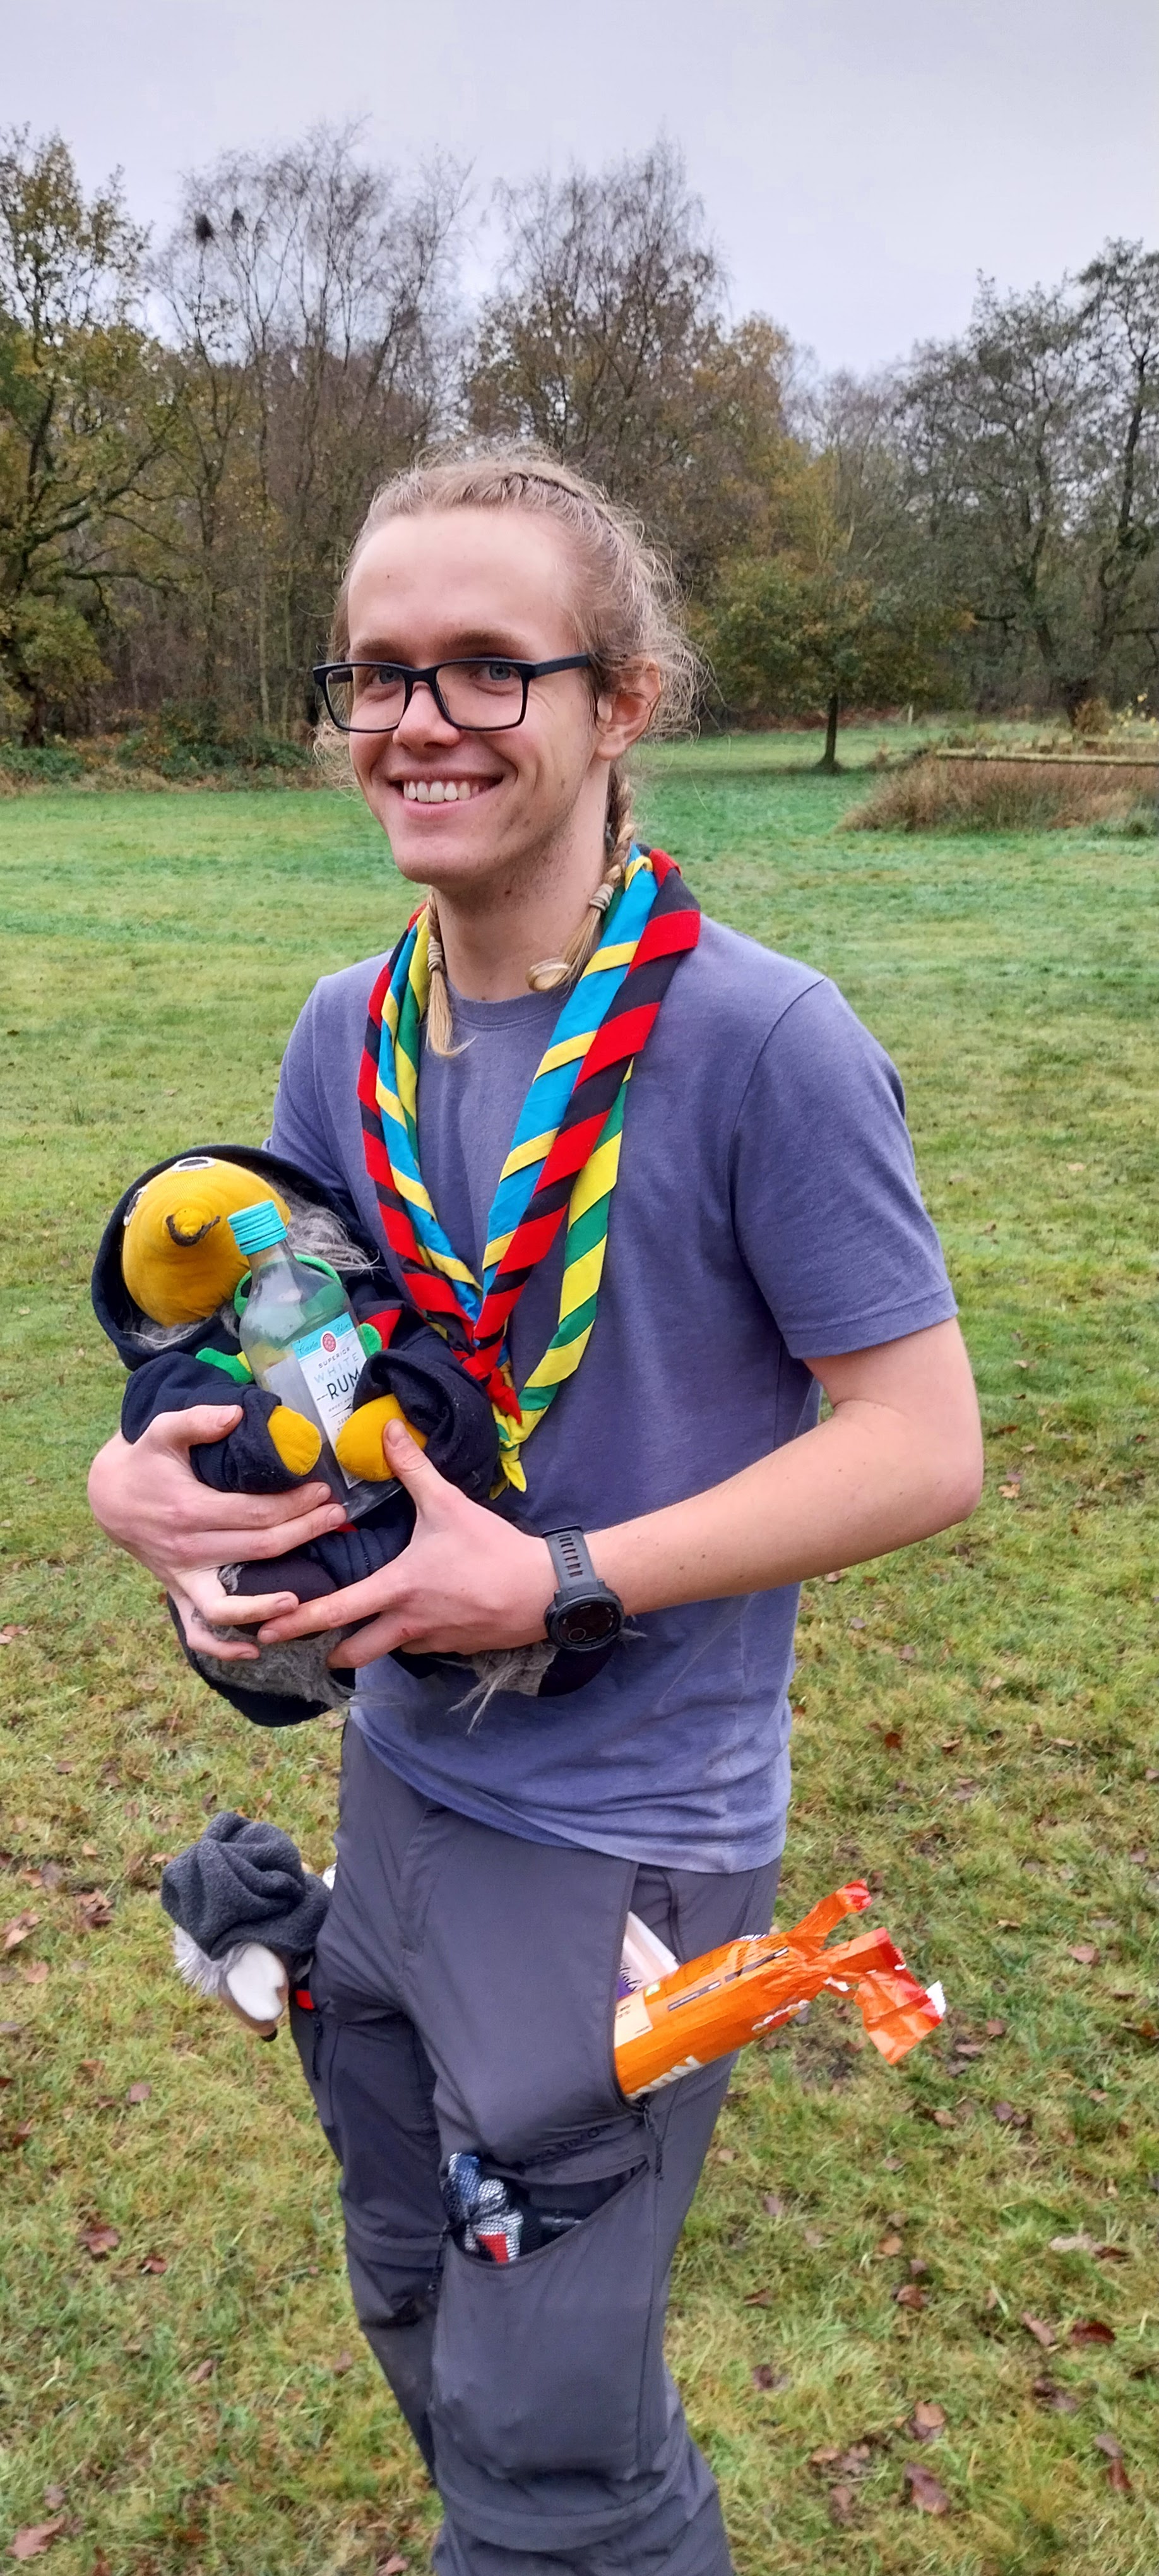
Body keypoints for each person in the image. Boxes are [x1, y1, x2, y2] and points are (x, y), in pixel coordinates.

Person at [88, 451, 982, 2575]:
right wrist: (171, 1494)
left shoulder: (762, 1042)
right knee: (411, 2289)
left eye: (490, 667)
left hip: (622, 1838)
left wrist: (561, 1577)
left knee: (550, 2451)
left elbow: (919, 1440)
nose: (421, 720)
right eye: (380, 672)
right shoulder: (351, 1032)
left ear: (621, 699)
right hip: (400, 1793)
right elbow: (311, 1373)